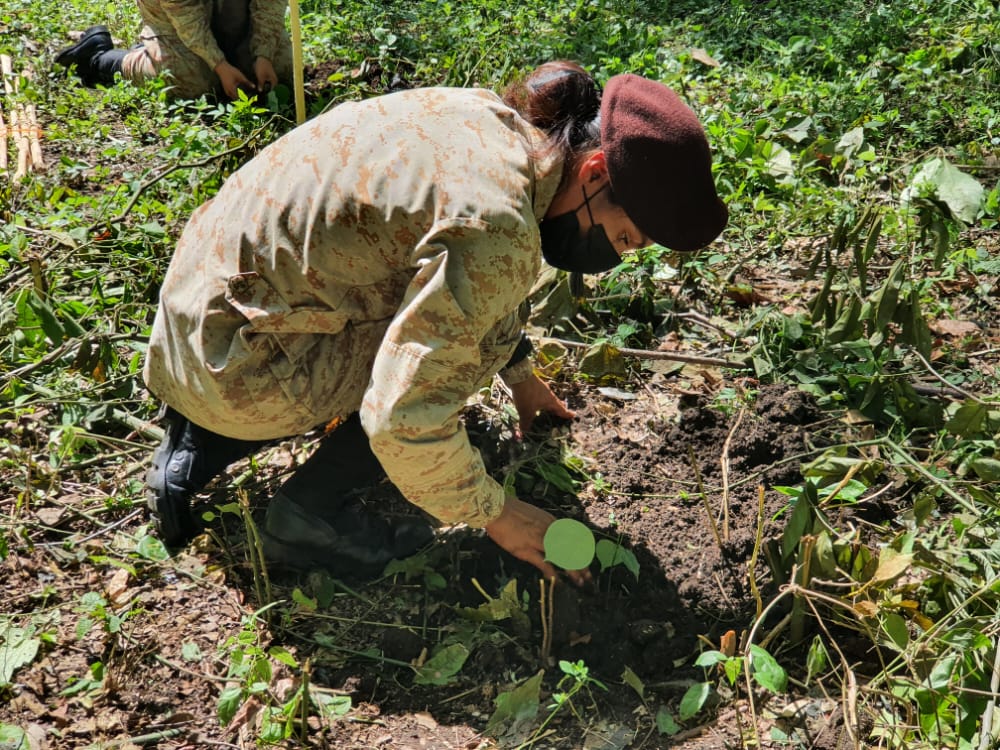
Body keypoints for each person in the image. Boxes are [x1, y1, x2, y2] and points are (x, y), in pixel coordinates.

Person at [142, 61, 728, 585]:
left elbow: (445, 262)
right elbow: (403, 418)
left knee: (437, 320)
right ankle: (306, 518)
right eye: (623, 236)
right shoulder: (498, 226)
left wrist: (521, 374)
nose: (615, 255)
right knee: (444, 368)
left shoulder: (489, 122)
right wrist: (498, 513)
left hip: (195, 323)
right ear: (596, 171)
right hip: (236, 366)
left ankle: (197, 444)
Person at [54, 0, 292, 100]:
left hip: (230, 12)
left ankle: (169, 54)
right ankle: (99, 58)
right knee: (193, 81)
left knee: (281, 69)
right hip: (172, 18)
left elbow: (270, 4)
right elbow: (187, 20)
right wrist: (220, 66)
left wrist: (264, 55)